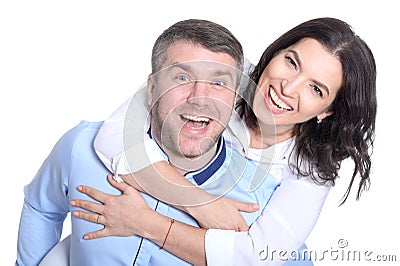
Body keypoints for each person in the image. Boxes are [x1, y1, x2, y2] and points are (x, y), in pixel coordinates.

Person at [72, 17, 377, 265]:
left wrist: (145, 223)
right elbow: (115, 136)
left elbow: (254, 257)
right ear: (275, 52)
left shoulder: (309, 173)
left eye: (316, 89)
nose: (288, 87)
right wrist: (201, 203)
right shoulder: (221, 74)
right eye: (291, 62)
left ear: (327, 111)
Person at [16, 19, 285, 265]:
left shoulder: (260, 198)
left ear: (235, 96)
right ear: (152, 87)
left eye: (218, 83)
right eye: (182, 78)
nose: (200, 97)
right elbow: (42, 207)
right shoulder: (81, 147)